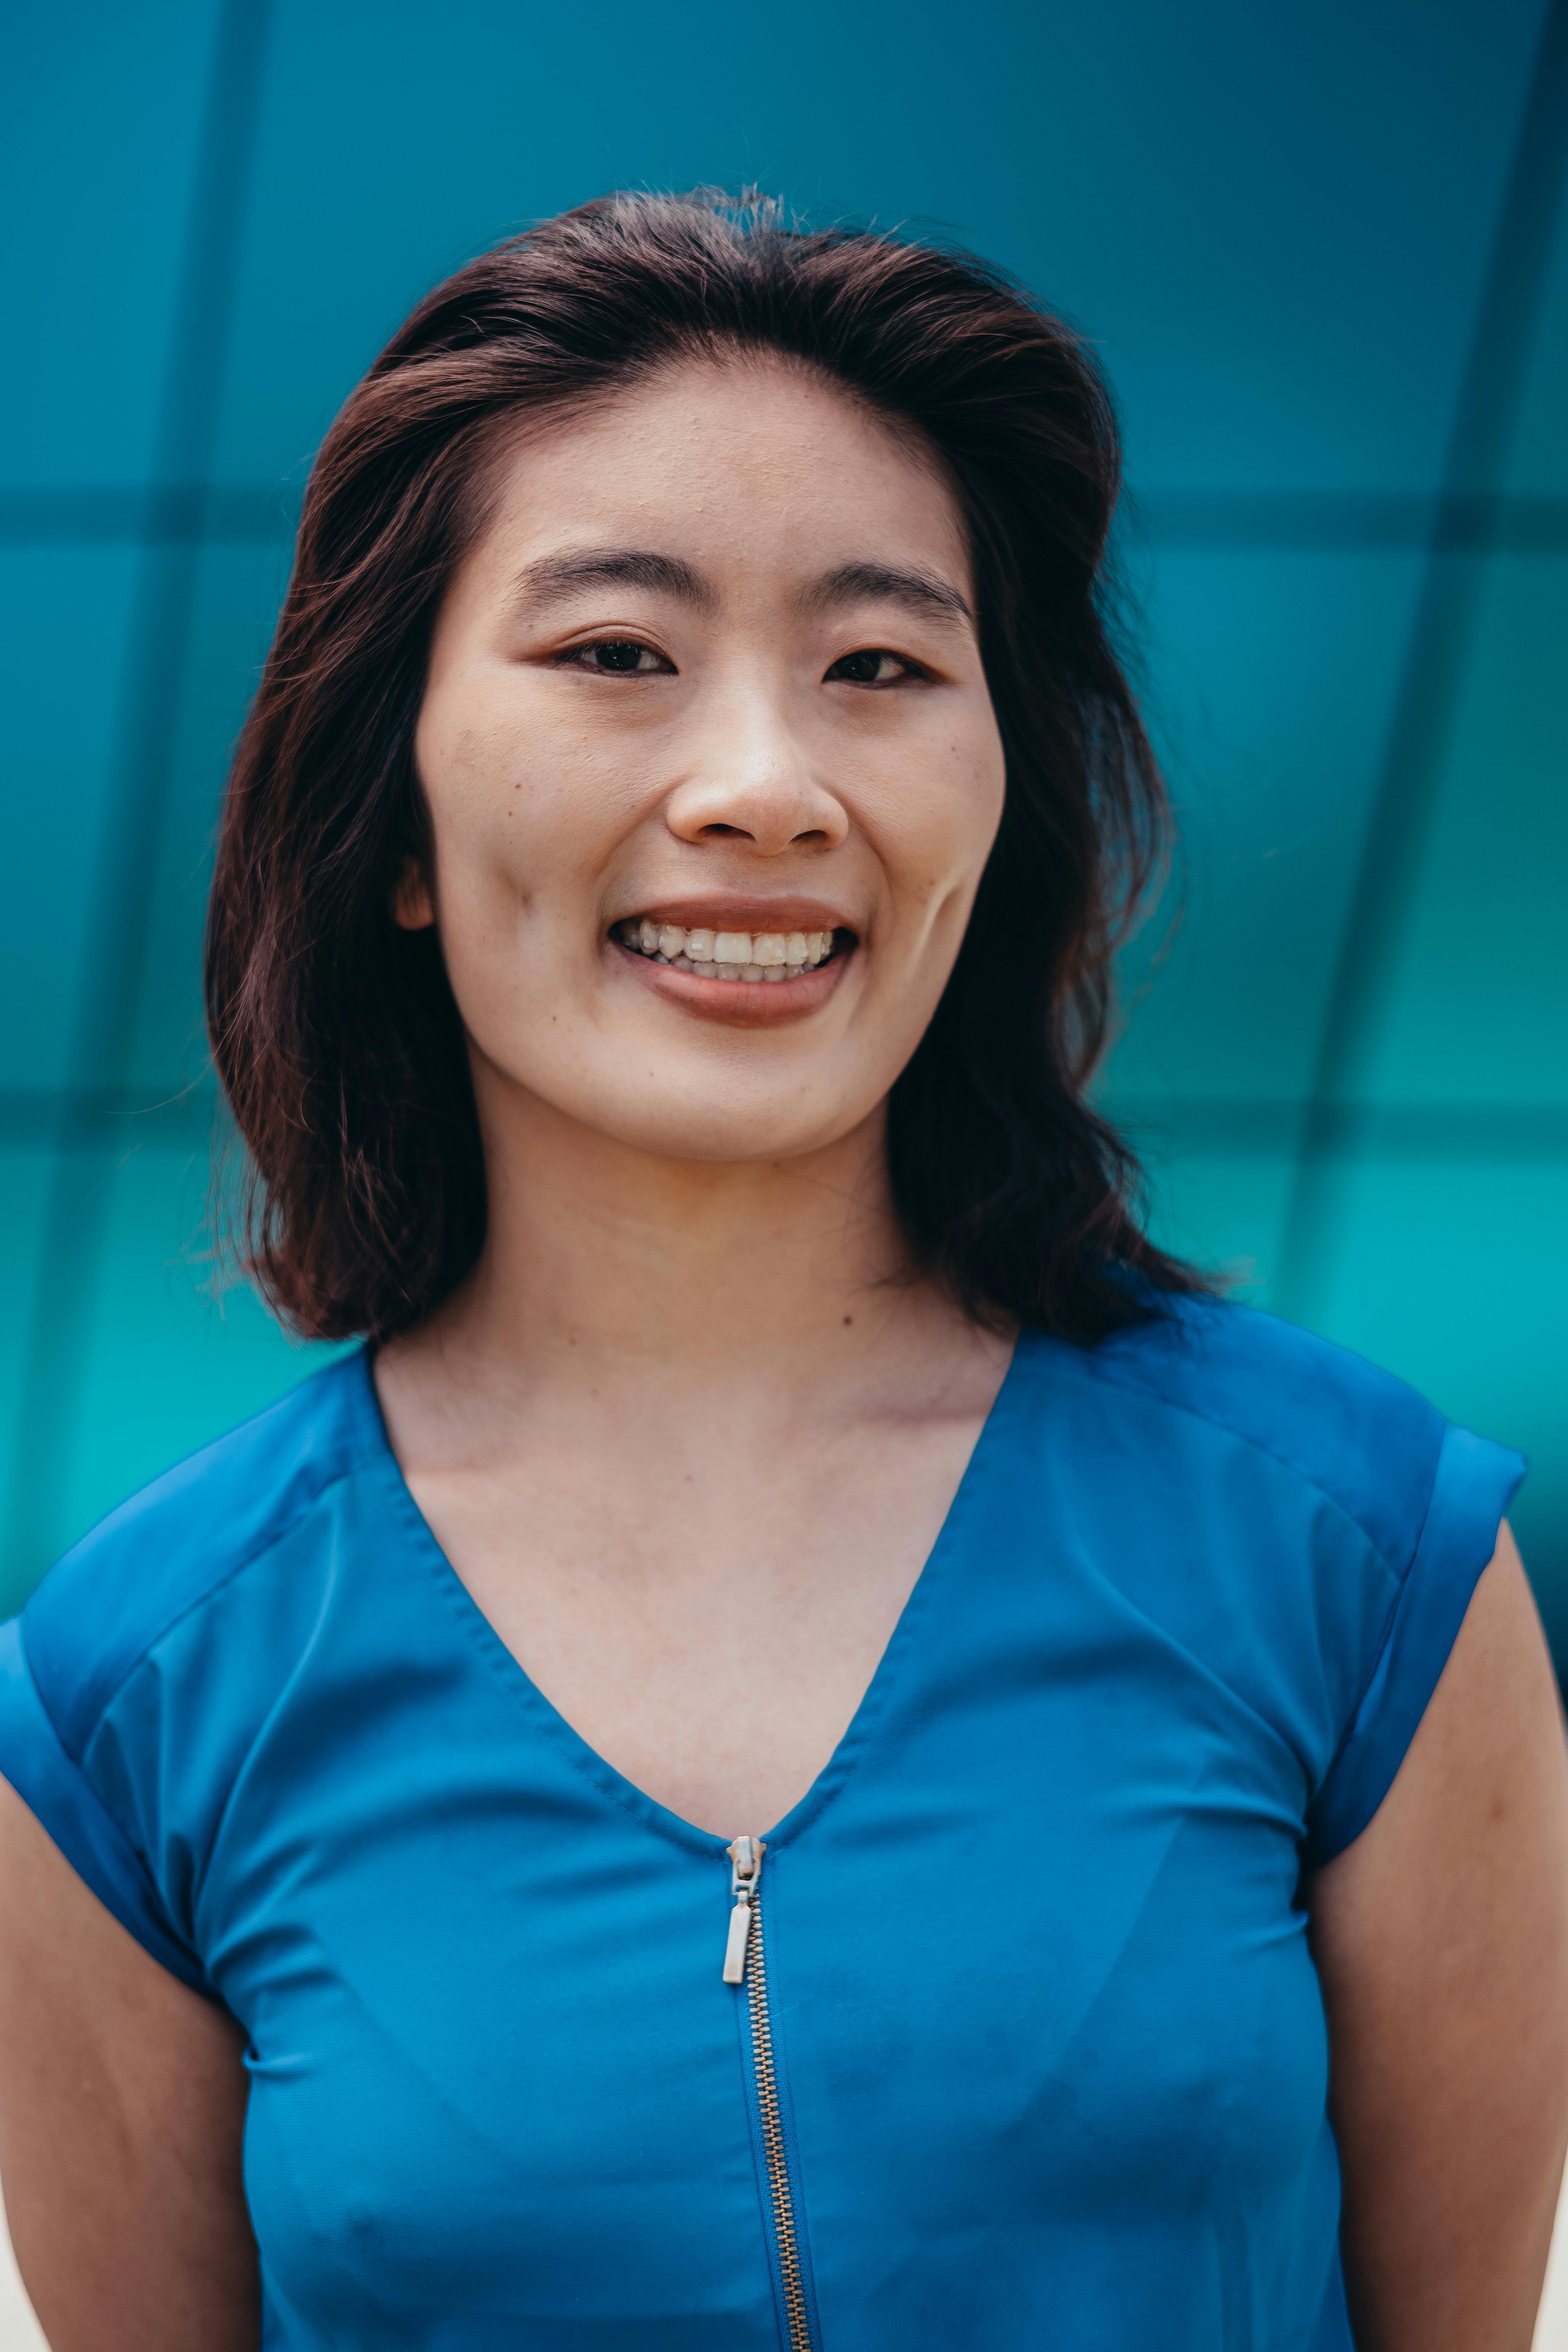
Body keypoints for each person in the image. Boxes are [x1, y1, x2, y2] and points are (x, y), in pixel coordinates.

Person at [0, 189, 1563, 2352]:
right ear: (389, 826)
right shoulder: (124, 1705)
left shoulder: (1366, 1560)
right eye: (616, 653)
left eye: (880, 668)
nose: (765, 786)